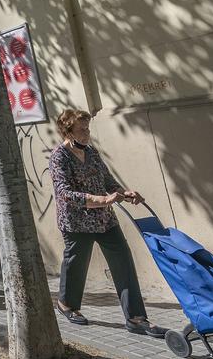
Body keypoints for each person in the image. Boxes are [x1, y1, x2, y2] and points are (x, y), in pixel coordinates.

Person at [49, 108, 166, 338]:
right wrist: (101, 199)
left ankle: (135, 318)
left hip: (104, 220)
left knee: (123, 261)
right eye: (82, 129)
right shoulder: (59, 157)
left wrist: (125, 193)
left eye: (88, 128)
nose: (87, 133)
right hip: (77, 222)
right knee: (76, 265)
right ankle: (66, 305)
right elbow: (64, 193)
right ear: (68, 131)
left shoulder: (91, 152)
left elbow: (107, 180)